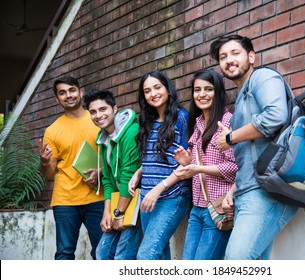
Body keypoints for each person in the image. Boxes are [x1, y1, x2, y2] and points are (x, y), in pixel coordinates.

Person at [209, 34, 299, 260]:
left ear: (251, 57)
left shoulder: (262, 77)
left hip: (266, 190)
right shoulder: (241, 97)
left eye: (234, 53)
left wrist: (230, 138)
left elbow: (276, 116)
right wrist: (233, 190)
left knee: (236, 262)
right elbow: (249, 155)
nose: (228, 60)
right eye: (222, 57)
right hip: (249, 190)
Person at [173, 69, 238, 260]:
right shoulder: (198, 123)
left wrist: (198, 168)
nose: (202, 95)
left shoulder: (228, 122)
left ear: (218, 92)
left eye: (208, 89)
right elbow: (200, 163)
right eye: (197, 90)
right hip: (197, 208)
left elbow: (235, 168)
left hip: (218, 207)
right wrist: (187, 162)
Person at [38, 76, 104, 260]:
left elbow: (115, 157)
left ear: (80, 92)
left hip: (97, 196)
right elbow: (48, 173)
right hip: (65, 200)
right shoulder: (52, 130)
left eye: (72, 90)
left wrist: (101, 172)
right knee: (64, 253)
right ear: (56, 99)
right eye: (62, 92)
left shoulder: (98, 119)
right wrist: (44, 161)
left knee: (103, 252)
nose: (68, 95)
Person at [128, 69, 191, 260]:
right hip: (147, 196)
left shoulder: (181, 117)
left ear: (168, 90)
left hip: (172, 196)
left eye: (157, 88)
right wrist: (139, 172)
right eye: (147, 91)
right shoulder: (148, 121)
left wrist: (159, 189)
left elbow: (187, 162)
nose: (153, 94)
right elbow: (155, 155)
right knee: (160, 254)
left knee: (147, 254)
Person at [83, 89, 143, 260]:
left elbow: (127, 175)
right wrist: (106, 213)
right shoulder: (103, 139)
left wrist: (118, 213)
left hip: (136, 199)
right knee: (102, 252)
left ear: (114, 109)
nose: (98, 115)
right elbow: (108, 179)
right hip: (120, 202)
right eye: (93, 112)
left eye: (103, 109)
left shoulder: (131, 133)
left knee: (122, 256)